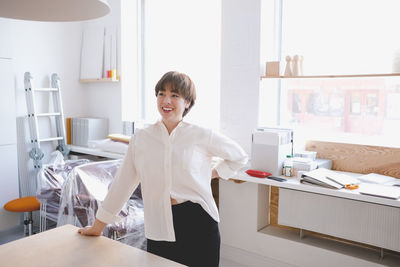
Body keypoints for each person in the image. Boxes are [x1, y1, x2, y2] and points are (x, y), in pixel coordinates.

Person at [78, 71, 248, 267]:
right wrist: (98, 227)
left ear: (188, 102)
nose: (166, 100)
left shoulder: (201, 135)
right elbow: (122, 184)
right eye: (161, 93)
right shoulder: (142, 138)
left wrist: (211, 173)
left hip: (199, 220)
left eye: (175, 95)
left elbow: (239, 157)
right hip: (159, 222)